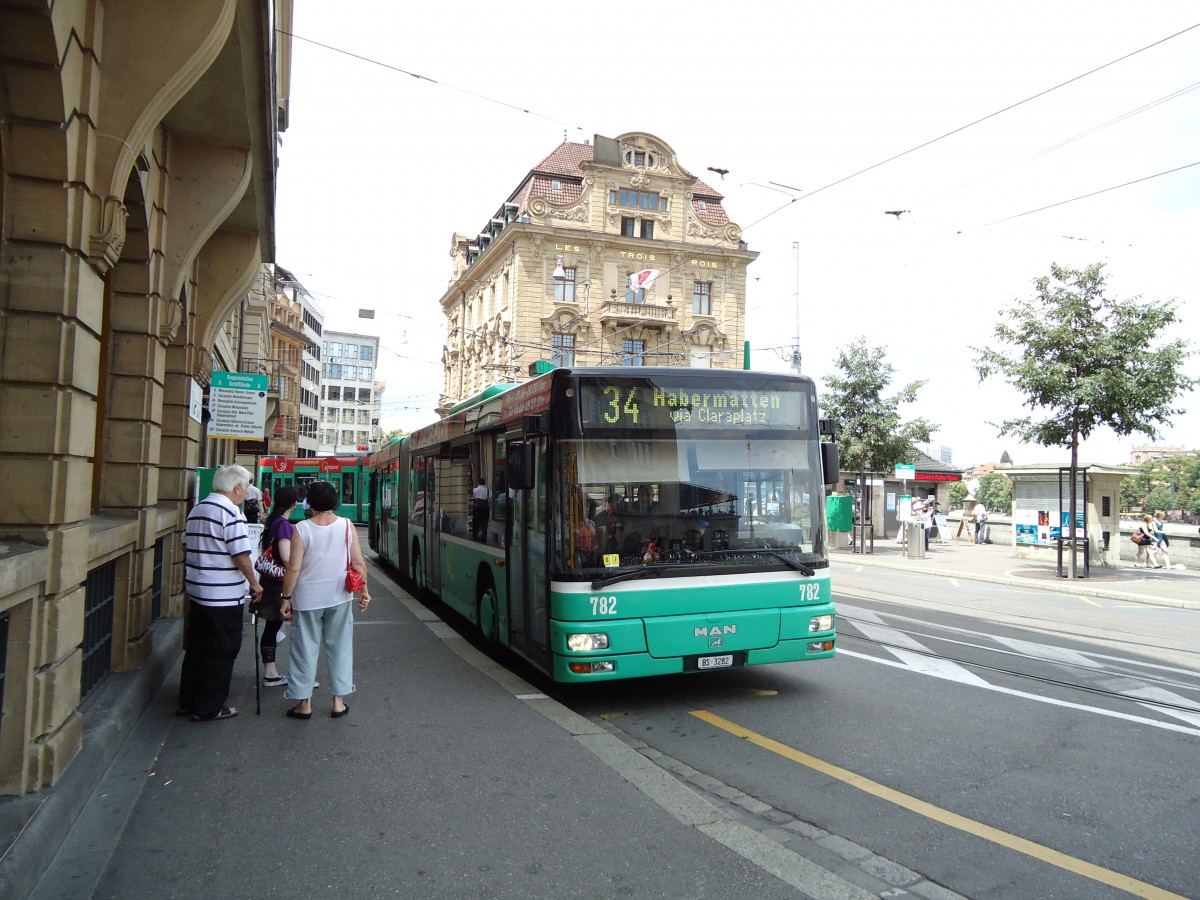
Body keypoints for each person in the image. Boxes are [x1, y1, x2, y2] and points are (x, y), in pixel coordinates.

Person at [178, 464, 262, 722]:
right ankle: (208, 707)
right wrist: (254, 583)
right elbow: (240, 554)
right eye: (247, 486)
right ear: (236, 487)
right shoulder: (231, 513)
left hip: (198, 591)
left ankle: (188, 700)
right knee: (222, 651)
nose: (247, 492)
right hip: (222, 596)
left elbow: (184, 544)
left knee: (197, 648)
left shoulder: (199, 509)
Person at [279, 480, 370, 719]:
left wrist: (285, 597)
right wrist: (364, 591)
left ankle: (304, 703)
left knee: (304, 649)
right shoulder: (346, 525)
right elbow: (359, 562)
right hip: (339, 596)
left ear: (311, 503)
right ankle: (338, 703)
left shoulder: (302, 529)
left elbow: (294, 568)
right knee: (340, 647)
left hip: (307, 599)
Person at [253, 485, 299, 687]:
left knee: (273, 626)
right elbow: (287, 558)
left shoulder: (273, 521)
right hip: (278, 584)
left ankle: (271, 671)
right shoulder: (284, 526)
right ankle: (271, 673)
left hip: (269, 581)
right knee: (273, 627)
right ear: (294, 504)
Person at [470, 477, 490, 542]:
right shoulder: (488, 490)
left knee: (476, 524)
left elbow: (473, 499)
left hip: (476, 510)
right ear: (484, 483)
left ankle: (475, 537)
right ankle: (484, 539)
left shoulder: (474, 490)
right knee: (485, 525)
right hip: (485, 510)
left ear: (478, 483)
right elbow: (490, 501)